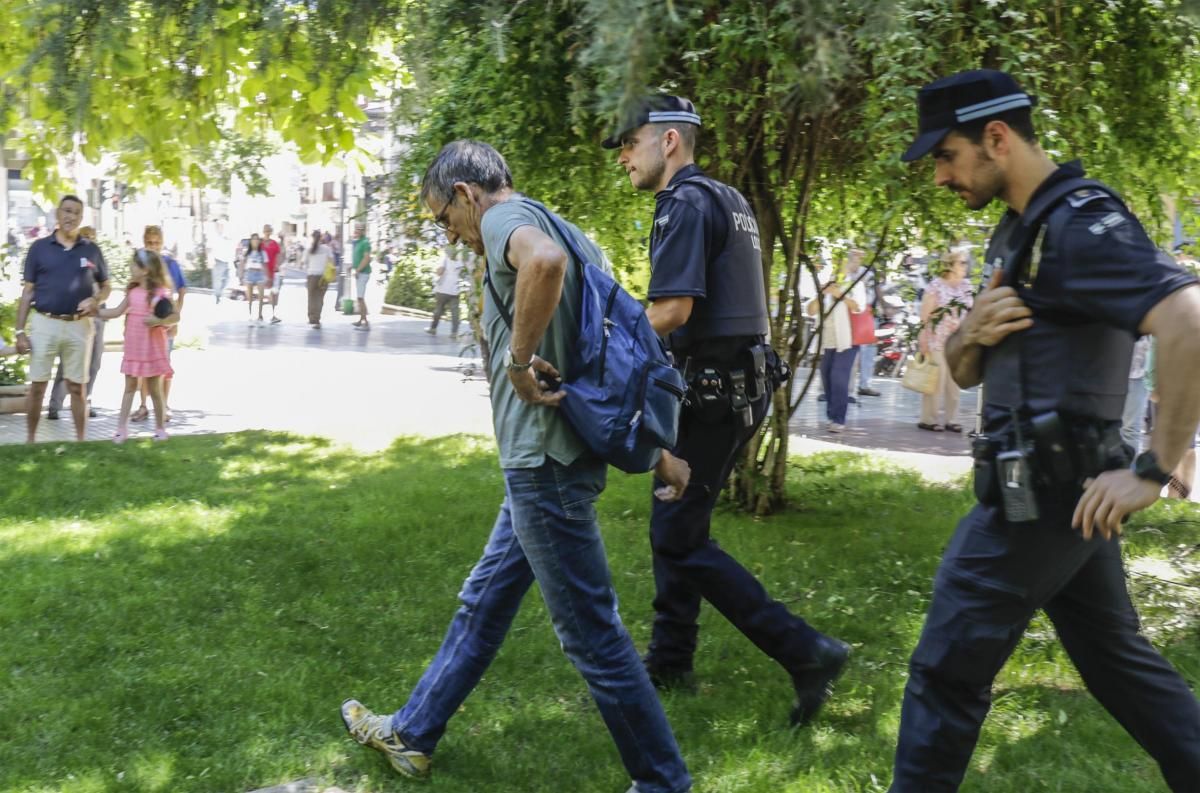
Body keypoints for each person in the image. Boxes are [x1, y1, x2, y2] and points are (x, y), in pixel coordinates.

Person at [339, 140, 693, 793]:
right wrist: (661, 453)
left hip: (544, 466)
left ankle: (664, 782)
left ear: (467, 194)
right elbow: (613, 356)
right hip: (549, 461)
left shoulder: (506, 220)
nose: (450, 235)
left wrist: (517, 361)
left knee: (592, 634)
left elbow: (544, 265)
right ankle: (413, 733)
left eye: (445, 219)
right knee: (483, 601)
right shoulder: (574, 233)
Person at [892, 69, 1200, 792]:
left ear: (996, 137)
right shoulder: (1023, 228)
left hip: (1042, 496)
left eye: (946, 155)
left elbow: (1187, 318)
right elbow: (966, 369)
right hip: (1060, 492)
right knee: (1114, 659)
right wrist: (966, 333)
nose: (939, 176)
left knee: (944, 671)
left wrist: (1155, 468)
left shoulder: (1081, 223)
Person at [606, 96, 850, 723]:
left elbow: (673, 311)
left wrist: (602, 341)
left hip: (712, 396)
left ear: (669, 143)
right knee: (677, 523)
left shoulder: (682, 203)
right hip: (739, 389)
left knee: (678, 536)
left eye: (630, 143)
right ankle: (670, 660)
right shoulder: (727, 198)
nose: (624, 157)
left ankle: (805, 650)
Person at [14, 195, 111, 443]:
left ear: (81, 217)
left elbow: (106, 286)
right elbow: (28, 292)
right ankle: (30, 442)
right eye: (67, 211)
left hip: (80, 325)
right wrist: (20, 332)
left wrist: (96, 300)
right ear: (58, 214)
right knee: (38, 387)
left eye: (76, 213)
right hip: (44, 323)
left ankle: (81, 442)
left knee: (78, 388)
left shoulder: (91, 249)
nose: (71, 217)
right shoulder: (39, 248)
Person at [99, 248, 177, 442]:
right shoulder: (133, 292)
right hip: (134, 348)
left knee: (155, 391)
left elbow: (175, 317)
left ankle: (160, 429)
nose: (131, 267)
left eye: (134, 264)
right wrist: (94, 312)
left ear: (145, 270)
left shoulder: (159, 294)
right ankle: (121, 429)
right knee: (129, 387)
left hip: (152, 348)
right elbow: (117, 311)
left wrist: (157, 321)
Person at [47, 225, 105, 421]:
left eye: (93, 236)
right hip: (77, 316)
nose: (90, 239)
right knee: (67, 363)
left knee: (95, 362)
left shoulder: (97, 258)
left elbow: (106, 285)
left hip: (97, 315)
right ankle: (55, 405)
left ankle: (84, 401)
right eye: (86, 236)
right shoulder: (74, 258)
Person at [131, 226, 186, 422]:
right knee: (143, 369)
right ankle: (143, 405)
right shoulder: (141, 262)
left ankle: (164, 405)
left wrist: (174, 317)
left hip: (163, 324)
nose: (153, 246)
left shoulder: (170, 263)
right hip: (143, 327)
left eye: (156, 243)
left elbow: (181, 289)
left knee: (163, 366)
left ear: (162, 243)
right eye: (149, 243)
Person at [915, 249, 973, 433]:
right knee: (936, 381)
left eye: (966, 263)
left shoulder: (966, 286)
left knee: (954, 382)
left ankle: (952, 419)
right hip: (937, 339)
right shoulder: (936, 286)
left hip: (958, 341)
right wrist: (922, 338)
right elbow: (925, 316)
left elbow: (971, 311)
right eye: (962, 262)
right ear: (951, 265)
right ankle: (928, 419)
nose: (966, 266)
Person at [806, 267, 864, 433]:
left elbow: (857, 307)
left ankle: (839, 419)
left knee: (839, 376)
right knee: (827, 376)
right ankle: (832, 415)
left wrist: (839, 294)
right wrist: (822, 293)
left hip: (847, 341)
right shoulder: (824, 290)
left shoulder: (854, 286)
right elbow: (810, 311)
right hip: (827, 342)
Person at [845, 248, 882, 398]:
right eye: (854, 257)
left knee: (867, 352)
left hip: (864, 316)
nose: (858, 259)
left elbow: (870, 294)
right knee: (849, 354)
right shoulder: (843, 272)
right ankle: (846, 389)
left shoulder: (867, 273)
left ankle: (864, 385)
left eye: (859, 257)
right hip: (846, 317)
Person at [1120, 335, 1152, 453]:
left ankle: (1127, 469)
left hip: (1137, 373)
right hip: (1113, 371)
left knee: (1131, 429)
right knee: (1117, 427)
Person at [425, 244, 464, 337]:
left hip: (443, 288)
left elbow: (440, 271)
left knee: (438, 309)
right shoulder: (461, 260)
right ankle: (454, 332)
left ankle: (433, 328)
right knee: (455, 311)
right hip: (455, 288)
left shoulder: (445, 258)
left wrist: (436, 271)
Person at [303, 230, 333, 328]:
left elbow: (304, 263)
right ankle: (317, 319)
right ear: (321, 238)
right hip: (323, 276)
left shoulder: (308, 250)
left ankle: (312, 319)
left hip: (311, 275)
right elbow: (331, 262)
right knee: (320, 298)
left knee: (311, 298)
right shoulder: (327, 249)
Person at [241, 233, 268, 324]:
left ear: (259, 241)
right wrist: (241, 275)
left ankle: (260, 315)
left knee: (261, 296)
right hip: (249, 274)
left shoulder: (262, 252)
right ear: (251, 241)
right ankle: (250, 314)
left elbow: (265, 265)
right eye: (253, 239)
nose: (255, 240)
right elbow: (242, 263)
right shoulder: (247, 252)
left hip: (259, 274)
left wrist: (267, 276)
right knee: (250, 297)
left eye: (257, 239)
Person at [349, 223, 371, 330]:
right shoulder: (358, 242)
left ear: (363, 230)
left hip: (363, 273)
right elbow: (358, 257)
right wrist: (352, 267)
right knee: (359, 297)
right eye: (356, 228)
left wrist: (357, 270)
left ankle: (365, 323)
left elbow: (367, 258)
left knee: (360, 298)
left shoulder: (365, 242)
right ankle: (362, 320)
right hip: (360, 273)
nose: (357, 230)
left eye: (360, 229)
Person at [262, 224, 283, 324]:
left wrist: (277, 265)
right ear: (263, 231)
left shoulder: (275, 243)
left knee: (274, 293)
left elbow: (279, 255)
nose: (267, 232)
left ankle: (273, 314)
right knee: (262, 293)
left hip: (273, 271)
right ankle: (260, 314)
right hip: (262, 271)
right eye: (266, 231)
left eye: (269, 231)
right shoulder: (260, 243)